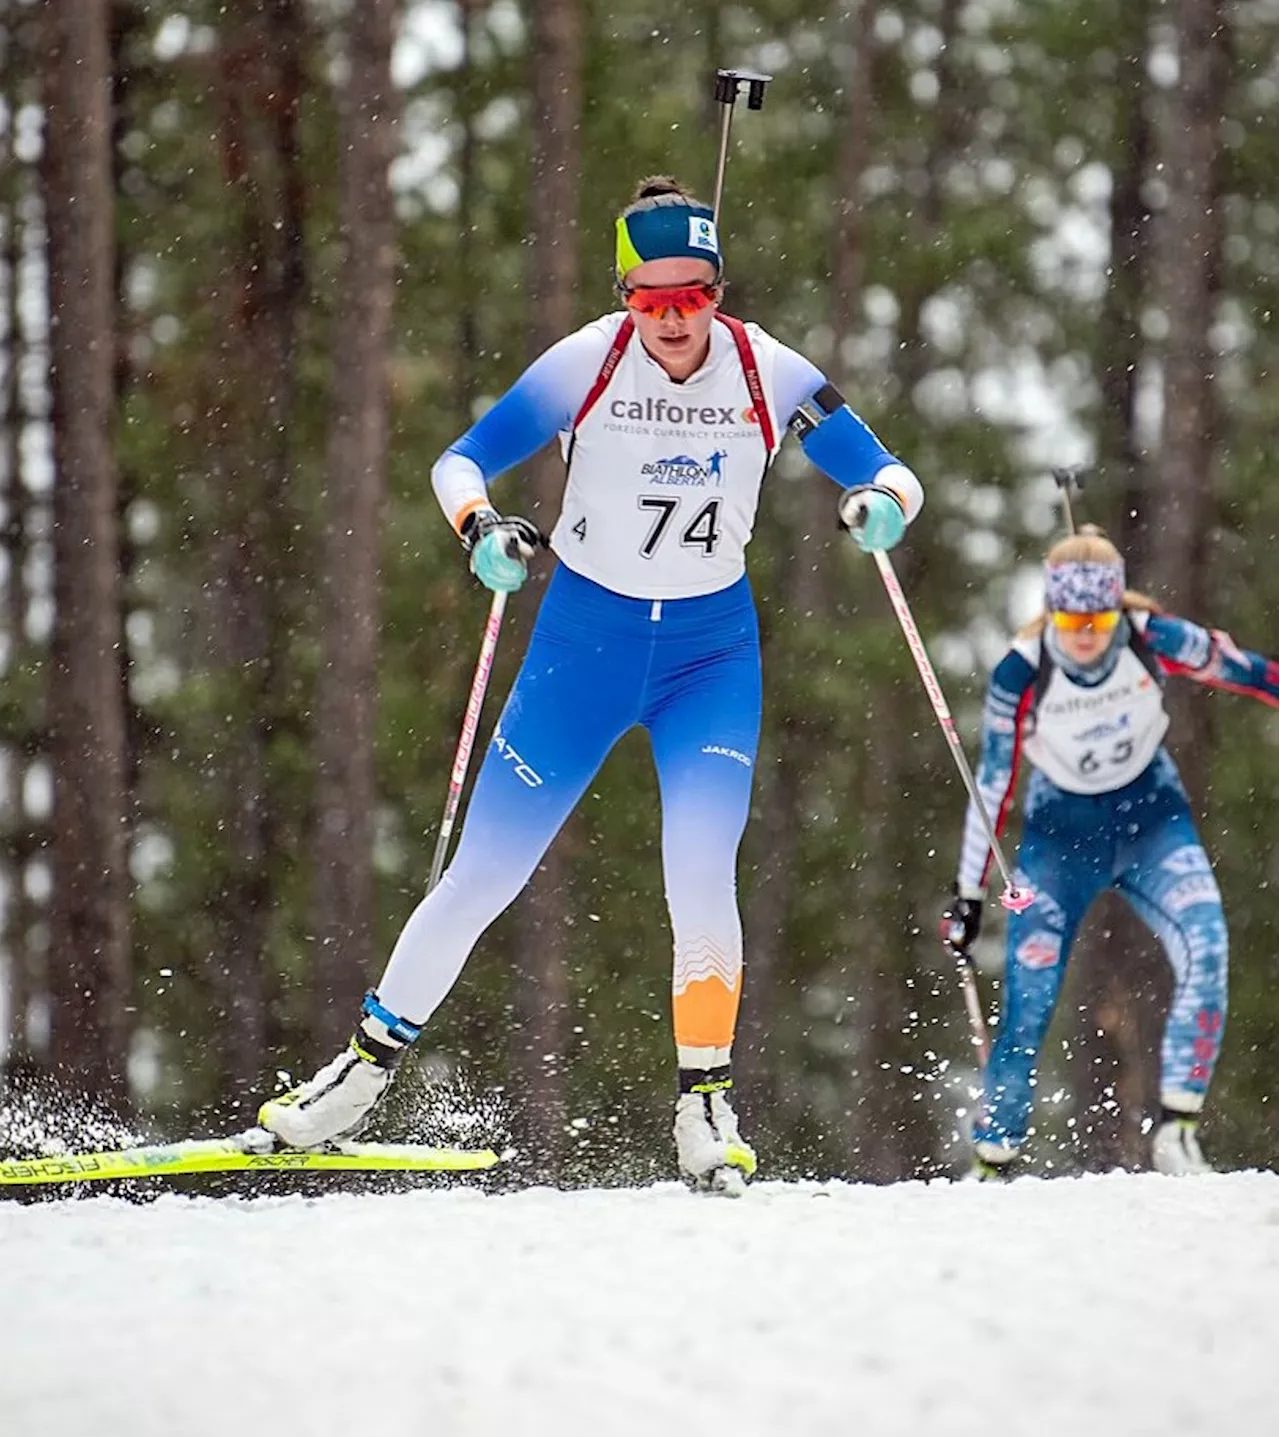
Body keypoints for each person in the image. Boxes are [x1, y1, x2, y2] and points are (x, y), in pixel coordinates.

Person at [260, 176, 925, 1193]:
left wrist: (878, 503)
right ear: (623, 293)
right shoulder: (589, 362)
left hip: (708, 657)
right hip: (584, 644)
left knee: (698, 873)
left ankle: (703, 1106)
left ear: (716, 290)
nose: (671, 321)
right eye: (649, 299)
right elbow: (459, 462)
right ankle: (355, 1077)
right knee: (482, 874)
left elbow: (888, 469)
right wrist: (480, 529)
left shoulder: (766, 370)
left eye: (691, 297)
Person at [943, 525, 1280, 1178]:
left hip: (1153, 822)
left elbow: (1241, 667)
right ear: (1053, 608)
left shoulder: (1153, 637)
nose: (1087, 634)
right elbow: (992, 781)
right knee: (1030, 997)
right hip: (1058, 841)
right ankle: (994, 1153)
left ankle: (1178, 1131)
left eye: (1099, 617)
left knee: (1207, 942)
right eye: (1072, 617)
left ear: (1117, 607)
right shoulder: (1023, 666)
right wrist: (969, 892)